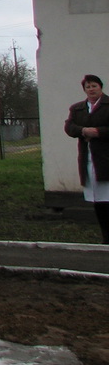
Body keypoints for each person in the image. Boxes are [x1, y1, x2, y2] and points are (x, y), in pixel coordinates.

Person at [64, 74, 109, 244]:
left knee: (107, 198)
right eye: (88, 87)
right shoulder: (77, 109)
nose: (91, 89)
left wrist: (97, 132)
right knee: (98, 201)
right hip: (88, 160)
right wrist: (83, 131)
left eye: (94, 86)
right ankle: (106, 237)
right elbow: (69, 127)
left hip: (105, 160)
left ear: (100, 87)